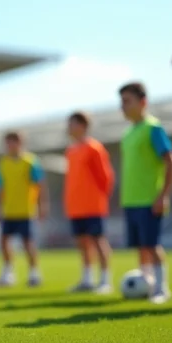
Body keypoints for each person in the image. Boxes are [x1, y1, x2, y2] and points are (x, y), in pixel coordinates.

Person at [118, 82, 172, 304]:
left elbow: (171, 161)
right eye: (121, 102)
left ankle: (162, 288)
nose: (122, 106)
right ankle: (147, 283)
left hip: (149, 198)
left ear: (143, 102)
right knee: (141, 246)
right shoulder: (127, 133)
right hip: (131, 200)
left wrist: (163, 194)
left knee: (152, 245)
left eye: (127, 101)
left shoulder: (153, 128)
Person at [63, 112, 116, 293]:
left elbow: (106, 177)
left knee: (98, 240)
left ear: (83, 125)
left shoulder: (94, 148)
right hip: (76, 206)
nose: (69, 127)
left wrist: (99, 198)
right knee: (82, 243)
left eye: (72, 124)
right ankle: (87, 279)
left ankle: (105, 280)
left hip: (93, 205)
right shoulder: (70, 151)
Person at [0, 130, 47, 287]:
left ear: (20, 143)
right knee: (4, 242)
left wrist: (42, 205)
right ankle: (8, 273)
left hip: (26, 210)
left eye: (12, 142)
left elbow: (40, 185)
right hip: (9, 210)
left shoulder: (30, 162)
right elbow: (0, 187)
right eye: (7, 142)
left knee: (28, 243)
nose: (9, 145)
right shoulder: (3, 163)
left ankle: (34, 273)